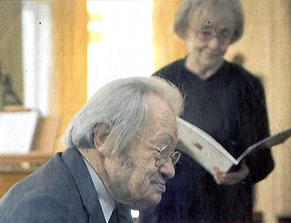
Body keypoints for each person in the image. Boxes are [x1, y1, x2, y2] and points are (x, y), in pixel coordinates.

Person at [139, 0, 274, 222]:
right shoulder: (161, 82)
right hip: (169, 209)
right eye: (205, 33)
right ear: (185, 31)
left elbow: (264, 160)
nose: (214, 44)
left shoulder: (247, 86)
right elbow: (142, 150)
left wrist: (245, 172)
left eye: (224, 35)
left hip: (227, 210)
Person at [0, 77, 183, 223]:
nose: (170, 170)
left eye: (171, 156)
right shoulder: (44, 209)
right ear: (104, 138)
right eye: (160, 151)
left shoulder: (113, 198)